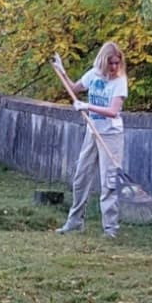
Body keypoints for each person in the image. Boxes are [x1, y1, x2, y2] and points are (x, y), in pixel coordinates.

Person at [52, 43, 128, 238]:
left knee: (108, 183)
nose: (113, 67)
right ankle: (75, 222)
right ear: (103, 61)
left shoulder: (120, 81)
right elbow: (73, 88)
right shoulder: (93, 74)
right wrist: (61, 70)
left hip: (111, 136)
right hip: (92, 133)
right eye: (110, 63)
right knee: (81, 177)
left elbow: (112, 111)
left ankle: (110, 229)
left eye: (116, 63)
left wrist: (87, 106)